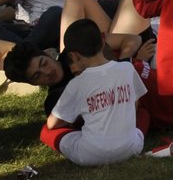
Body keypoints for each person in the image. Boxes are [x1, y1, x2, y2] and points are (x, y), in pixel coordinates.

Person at [43, 18, 146, 166]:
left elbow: (53, 123)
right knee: (143, 115)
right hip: (131, 148)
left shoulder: (76, 83)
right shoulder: (127, 68)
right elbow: (135, 104)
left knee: (45, 130)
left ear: (73, 56)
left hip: (91, 155)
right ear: (104, 43)